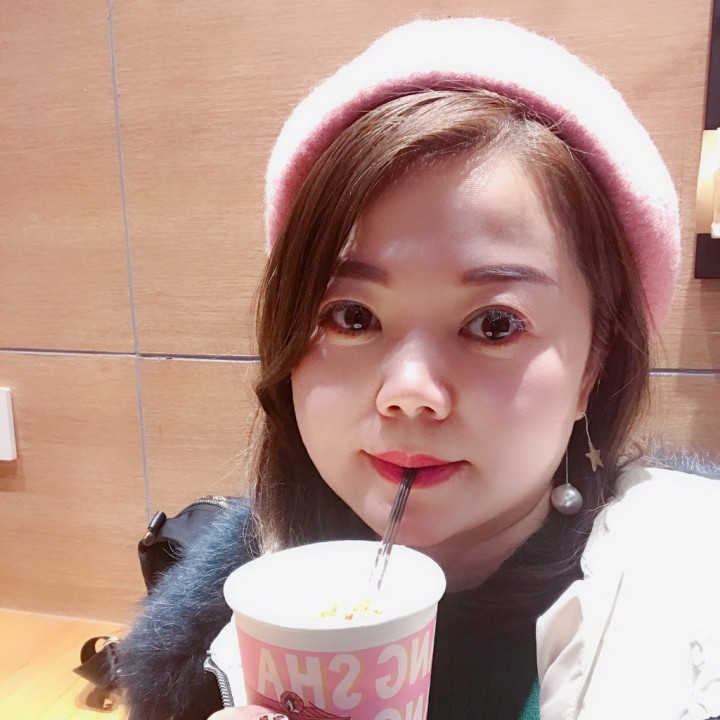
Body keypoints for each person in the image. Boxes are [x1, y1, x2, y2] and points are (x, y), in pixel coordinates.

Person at [119, 17, 720, 720]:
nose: (408, 393)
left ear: (596, 362)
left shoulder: (689, 615)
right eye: (352, 317)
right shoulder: (207, 649)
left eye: (495, 325)